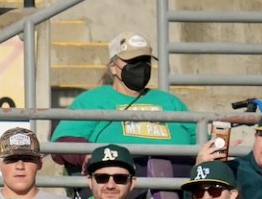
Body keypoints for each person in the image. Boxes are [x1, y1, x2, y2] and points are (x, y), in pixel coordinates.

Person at [52, 35, 192, 168]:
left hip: (176, 174)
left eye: (145, 60)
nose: (141, 66)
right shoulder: (92, 100)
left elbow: (199, 136)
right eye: (132, 61)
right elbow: (63, 142)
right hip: (119, 177)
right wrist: (88, 156)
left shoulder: (170, 101)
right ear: (113, 67)